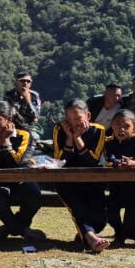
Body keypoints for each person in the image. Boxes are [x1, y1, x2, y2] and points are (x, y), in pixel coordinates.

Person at [0, 100, 42, 242]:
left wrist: (5, 141)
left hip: (21, 179)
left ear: (9, 120)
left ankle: (11, 227)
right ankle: (23, 230)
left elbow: (18, 162)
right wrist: (1, 140)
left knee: (34, 194)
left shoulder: (24, 135)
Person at [50, 100, 108, 253]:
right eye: (68, 119)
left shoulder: (98, 130)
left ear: (88, 116)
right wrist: (69, 138)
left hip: (93, 179)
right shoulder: (59, 129)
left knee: (100, 220)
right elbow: (60, 160)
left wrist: (77, 138)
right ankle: (91, 238)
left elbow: (92, 160)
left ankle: (88, 233)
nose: (72, 123)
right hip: (67, 180)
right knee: (78, 206)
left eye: (77, 118)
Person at [102, 108, 135, 245]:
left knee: (131, 222)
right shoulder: (108, 141)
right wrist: (117, 163)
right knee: (111, 214)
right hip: (116, 188)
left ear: (134, 127)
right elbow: (107, 159)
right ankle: (120, 233)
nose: (121, 129)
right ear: (112, 125)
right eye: (117, 124)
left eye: (126, 126)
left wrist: (133, 163)